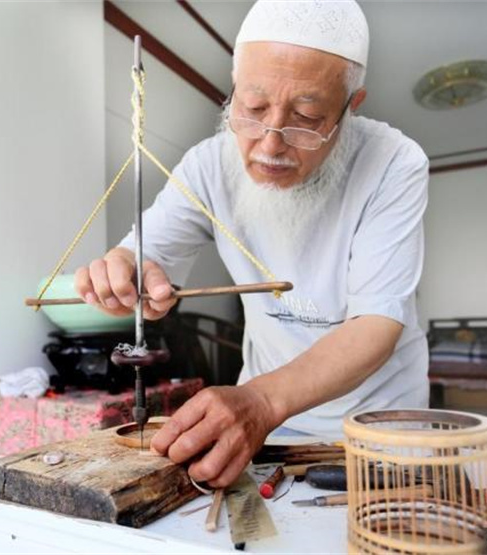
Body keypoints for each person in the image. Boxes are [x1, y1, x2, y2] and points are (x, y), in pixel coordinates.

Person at [75, 0, 429, 488]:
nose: (269, 144)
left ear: (352, 105)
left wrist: (262, 401)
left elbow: (376, 323)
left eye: (306, 116)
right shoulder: (207, 165)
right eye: (253, 108)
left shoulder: (394, 163)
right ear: (234, 88)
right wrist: (125, 270)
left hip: (378, 423)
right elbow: (143, 252)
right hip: (266, 424)